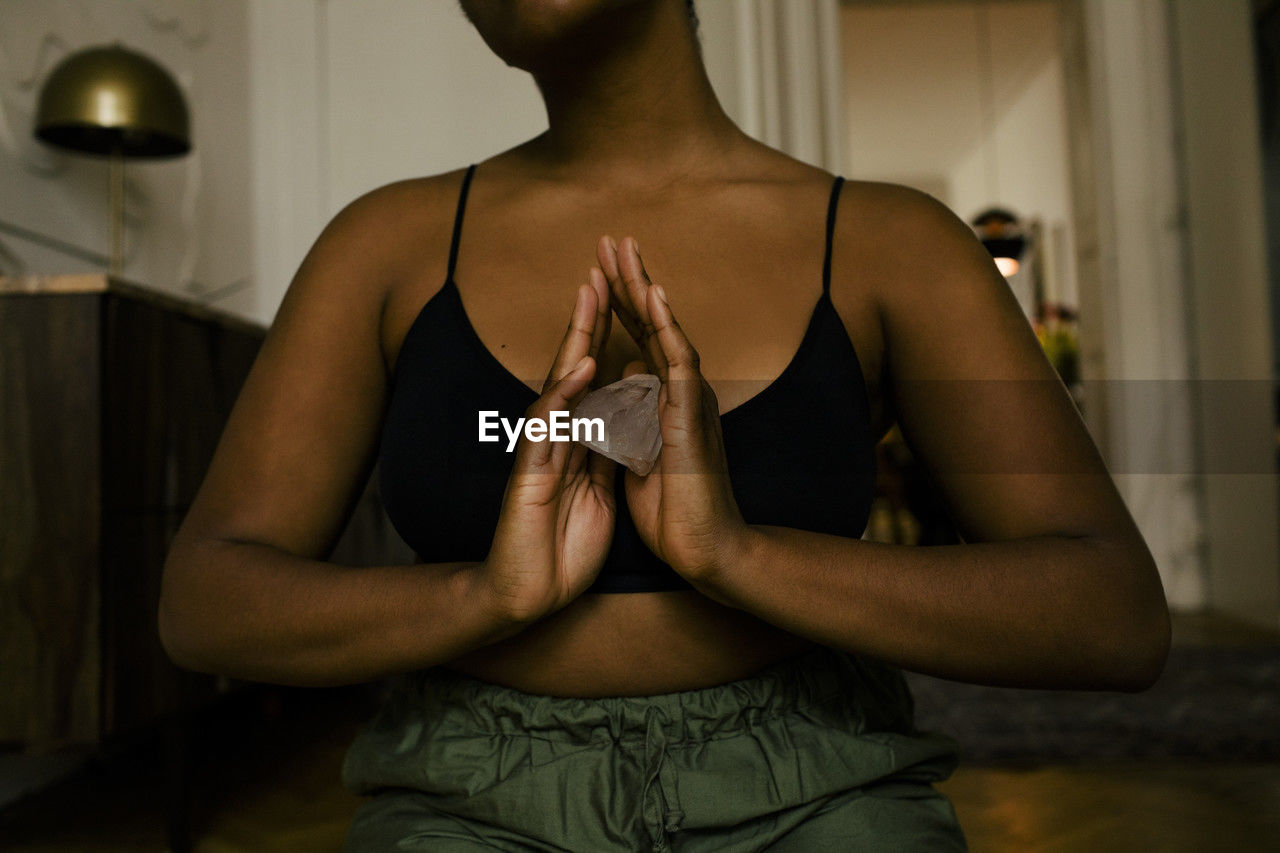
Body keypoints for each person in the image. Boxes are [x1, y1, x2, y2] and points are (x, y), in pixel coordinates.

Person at [158, 0, 1172, 849]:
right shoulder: (384, 245)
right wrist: (484, 595)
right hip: (463, 800)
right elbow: (207, 599)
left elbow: (1111, 616)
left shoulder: (890, 243)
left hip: (821, 790)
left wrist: (736, 556)